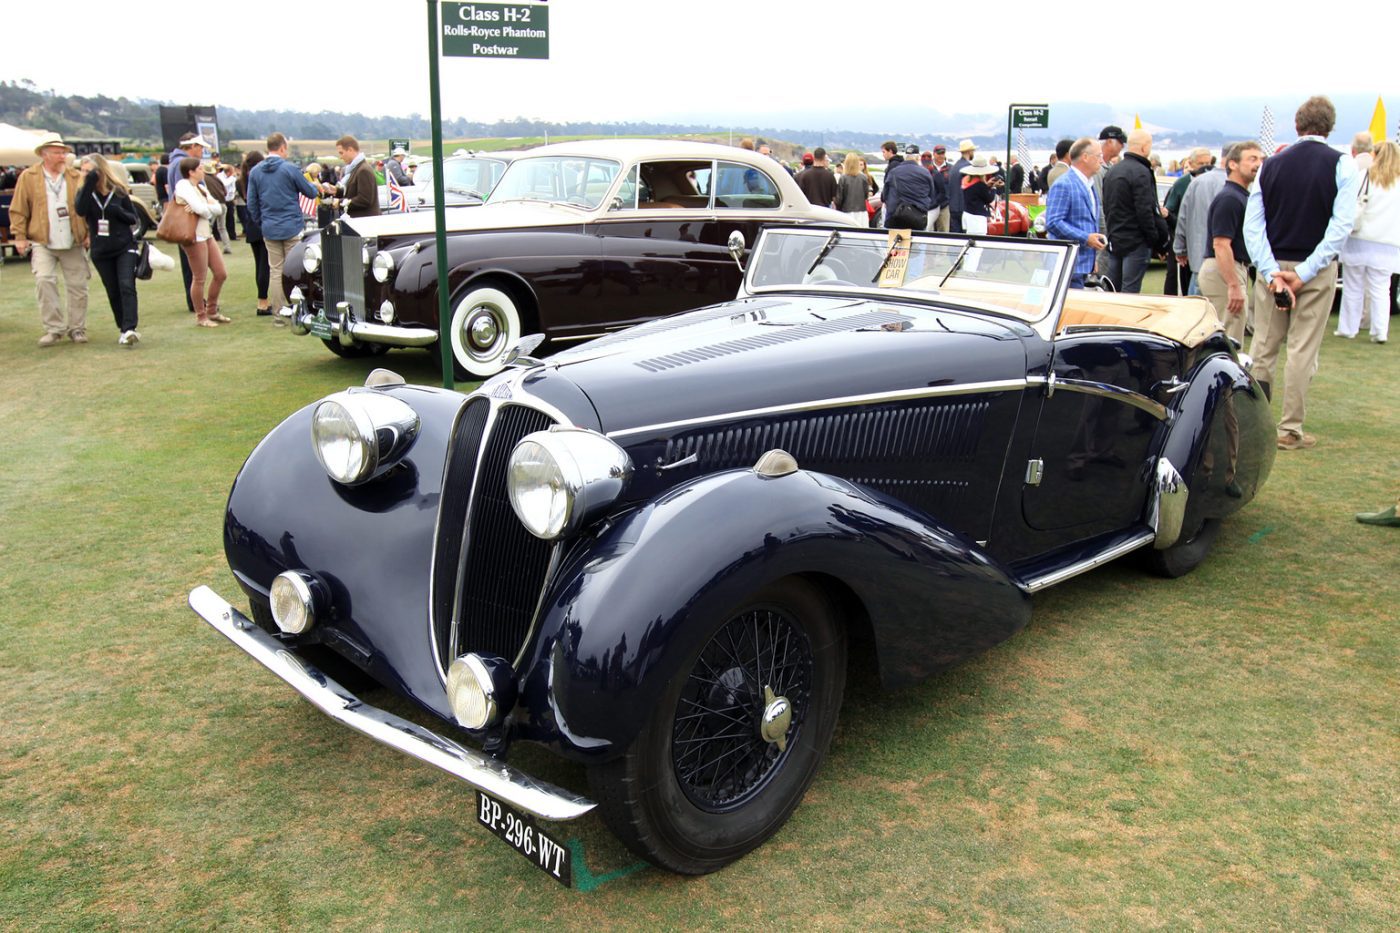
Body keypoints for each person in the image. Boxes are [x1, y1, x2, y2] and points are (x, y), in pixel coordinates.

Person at [1244, 95, 1361, 450]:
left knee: (1264, 345)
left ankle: (1256, 424)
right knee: (1301, 349)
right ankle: (1288, 428)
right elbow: (1341, 226)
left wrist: (1270, 272)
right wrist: (1307, 271)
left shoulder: (1271, 164)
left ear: (1297, 126)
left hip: (1274, 265)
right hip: (1315, 268)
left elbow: (1253, 227)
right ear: (1329, 127)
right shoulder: (1343, 165)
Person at [8, 133, 90, 346]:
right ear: (45, 154)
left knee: (78, 285)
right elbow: (18, 208)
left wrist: (88, 232)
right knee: (44, 280)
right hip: (42, 240)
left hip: (73, 239)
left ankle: (77, 328)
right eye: (57, 152)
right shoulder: (29, 176)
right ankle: (54, 328)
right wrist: (19, 236)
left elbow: (85, 207)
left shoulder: (74, 176)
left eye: (64, 152)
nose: (62, 155)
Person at [247, 131, 321, 324]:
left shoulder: (255, 172)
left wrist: (261, 222)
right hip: (291, 226)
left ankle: (279, 314)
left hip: (269, 227)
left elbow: (252, 203)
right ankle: (297, 310)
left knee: (276, 270)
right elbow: (310, 192)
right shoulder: (289, 169)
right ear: (282, 148)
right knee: (294, 269)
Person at [1197, 141, 1263, 345]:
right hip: (1224, 269)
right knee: (1228, 336)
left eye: (1260, 159)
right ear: (1233, 164)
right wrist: (1233, 284)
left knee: (1232, 332)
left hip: (1230, 268)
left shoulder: (1240, 196)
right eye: (1252, 159)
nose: (1258, 164)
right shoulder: (1230, 199)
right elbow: (1221, 244)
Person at [74, 153, 141, 346]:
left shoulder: (118, 191)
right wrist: (88, 183)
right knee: (113, 290)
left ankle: (130, 328)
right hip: (101, 249)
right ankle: (123, 327)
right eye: (83, 171)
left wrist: (117, 211)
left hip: (124, 246)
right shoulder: (85, 193)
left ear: (100, 170)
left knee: (127, 285)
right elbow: (80, 210)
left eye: (90, 171)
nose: (85, 174)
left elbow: (132, 217)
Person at [1336, 140, 1399, 344]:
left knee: (1353, 286)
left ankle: (1348, 328)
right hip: (1387, 241)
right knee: (1381, 288)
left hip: (1360, 236)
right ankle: (1380, 331)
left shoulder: (1365, 176)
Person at [1102, 129, 1168, 293]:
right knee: (1130, 291)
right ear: (1145, 148)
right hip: (1136, 241)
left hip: (1115, 238)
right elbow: (1145, 210)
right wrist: (1155, 239)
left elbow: (1106, 205)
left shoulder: (1112, 171)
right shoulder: (1141, 172)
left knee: (1112, 289)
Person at [171, 158, 229, 327]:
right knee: (199, 277)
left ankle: (212, 310)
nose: (203, 171)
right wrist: (205, 207)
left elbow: (216, 209)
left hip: (206, 233)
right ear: (191, 171)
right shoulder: (183, 186)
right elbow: (202, 210)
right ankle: (201, 316)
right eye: (200, 168)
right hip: (193, 236)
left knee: (220, 273)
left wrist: (205, 207)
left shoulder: (201, 188)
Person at [1044, 137, 1108, 288]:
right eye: (1098, 156)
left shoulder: (1089, 184)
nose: (1102, 160)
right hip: (1067, 266)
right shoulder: (1064, 184)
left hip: (1083, 265)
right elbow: (1053, 222)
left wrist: (1093, 261)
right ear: (1085, 157)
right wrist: (1086, 238)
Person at [1173, 145, 1229, 296]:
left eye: (1207, 163)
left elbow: (1183, 217)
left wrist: (1180, 248)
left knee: (1195, 305)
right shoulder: (1234, 184)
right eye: (1201, 164)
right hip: (1226, 260)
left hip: (1199, 258)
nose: (1205, 167)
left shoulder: (1196, 183)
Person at [166, 133, 211, 312]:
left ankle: (196, 300)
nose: (201, 151)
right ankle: (196, 302)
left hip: (185, 220)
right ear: (191, 146)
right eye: (199, 147)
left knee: (191, 264)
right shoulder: (181, 164)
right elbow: (185, 194)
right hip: (188, 221)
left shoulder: (174, 162)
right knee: (193, 265)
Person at [237, 150, 272, 316]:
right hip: (261, 222)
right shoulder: (258, 178)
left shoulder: (241, 180)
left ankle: (262, 300)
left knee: (259, 264)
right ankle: (263, 302)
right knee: (265, 265)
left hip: (251, 224)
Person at [880, 141, 936, 230]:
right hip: (918, 216)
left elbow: (885, 194)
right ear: (918, 157)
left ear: (906, 157)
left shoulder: (894, 172)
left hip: (896, 215)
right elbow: (931, 194)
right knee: (918, 241)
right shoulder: (925, 173)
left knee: (893, 242)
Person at [326, 135, 380, 219]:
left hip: (365, 223)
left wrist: (340, 202)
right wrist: (337, 191)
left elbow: (364, 200)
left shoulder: (363, 170)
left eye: (341, 153)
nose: (341, 157)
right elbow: (354, 192)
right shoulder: (357, 169)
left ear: (350, 150)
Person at [959, 157, 1000, 235]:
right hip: (977, 217)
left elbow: (977, 193)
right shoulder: (980, 185)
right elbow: (989, 198)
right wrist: (994, 187)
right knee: (978, 242)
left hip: (967, 214)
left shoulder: (966, 181)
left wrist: (987, 185)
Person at [202, 163, 233, 254]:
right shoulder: (217, 179)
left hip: (213, 205)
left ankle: (208, 248)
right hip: (223, 204)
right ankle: (227, 247)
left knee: (208, 227)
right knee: (222, 228)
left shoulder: (204, 180)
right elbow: (225, 192)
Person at [835, 151, 870, 225]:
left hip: (847, 211)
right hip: (861, 211)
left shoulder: (843, 178)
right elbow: (866, 196)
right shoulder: (863, 177)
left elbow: (839, 199)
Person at [947, 139, 975, 232]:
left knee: (956, 238)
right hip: (964, 207)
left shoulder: (954, 167)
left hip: (953, 206)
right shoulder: (968, 167)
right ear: (969, 151)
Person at [221, 164, 239, 240]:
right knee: (222, 220)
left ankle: (232, 235)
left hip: (230, 200)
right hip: (223, 200)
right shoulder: (221, 176)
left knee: (230, 219)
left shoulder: (231, 178)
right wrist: (232, 177)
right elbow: (225, 184)